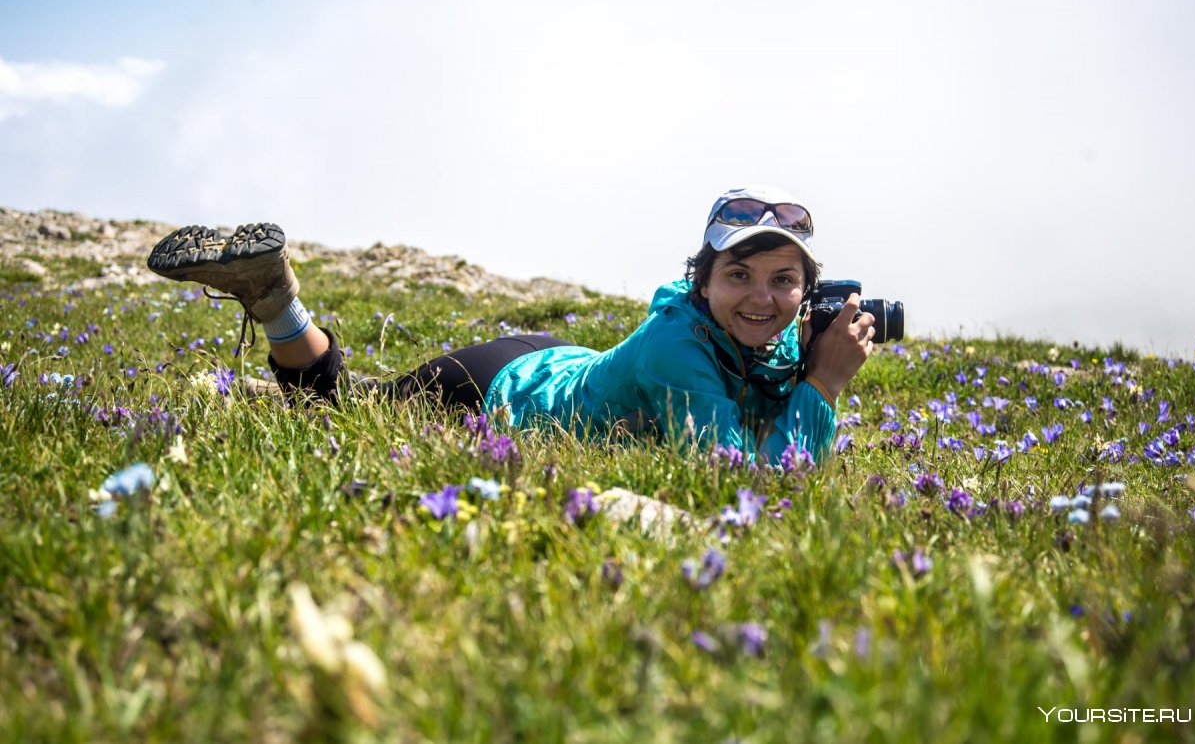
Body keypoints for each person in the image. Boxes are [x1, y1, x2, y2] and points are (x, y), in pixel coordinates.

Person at [146, 185, 875, 465]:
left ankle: (265, 332)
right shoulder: (676, 349)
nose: (762, 298)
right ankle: (274, 297)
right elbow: (753, 483)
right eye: (738, 276)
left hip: (563, 360)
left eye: (784, 281)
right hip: (498, 386)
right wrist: (826, 383)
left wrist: (805, 364)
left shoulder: (779, 335)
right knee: (343, 407)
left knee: (354, 401)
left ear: (808, 292)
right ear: (702, 282)